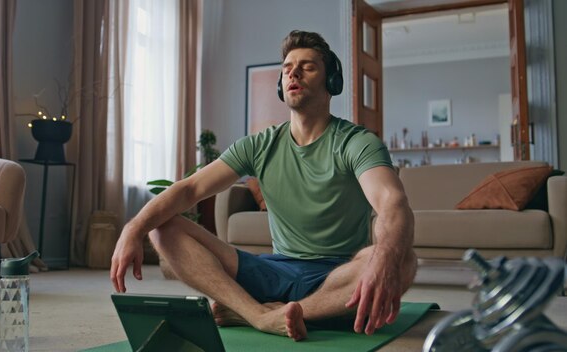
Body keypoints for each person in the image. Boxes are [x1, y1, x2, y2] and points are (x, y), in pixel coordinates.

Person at [110, 30, 417, 341]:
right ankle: (258, 315)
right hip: (273, 269)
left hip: (338, 277)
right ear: (281, 85)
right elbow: (190, 190)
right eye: (286, 68)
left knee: (403, 259)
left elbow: (392, 202)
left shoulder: (357, 142)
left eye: (308, 66)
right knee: (162, 227)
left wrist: (384, 257)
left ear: (332, 81)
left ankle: (264, 311)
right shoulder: (260, 144)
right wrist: (132, 228)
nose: (293, 72)